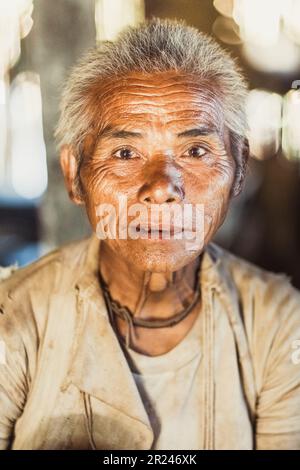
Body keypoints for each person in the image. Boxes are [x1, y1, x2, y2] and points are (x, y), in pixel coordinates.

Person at [0, 19, 299, 450]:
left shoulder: (280, 323)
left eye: (195, 151)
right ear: (74, 176)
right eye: (125, 153)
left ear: (238, 171)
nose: (162, 188)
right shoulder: (15, 317)